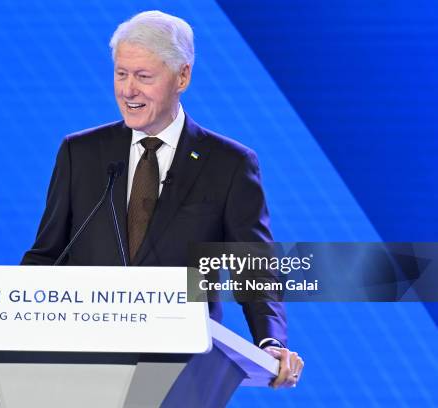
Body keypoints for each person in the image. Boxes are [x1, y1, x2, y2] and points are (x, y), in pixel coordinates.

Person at [21, 10, 303, 388]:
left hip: (181, 373)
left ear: (182, 76)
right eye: (121, 74)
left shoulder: (229, 164)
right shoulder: (81, 153)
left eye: (143, 76)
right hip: (85, 365)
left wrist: (269, 341)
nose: (128, 90)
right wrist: (16, 317)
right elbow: (47, 254)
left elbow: (253, 268)